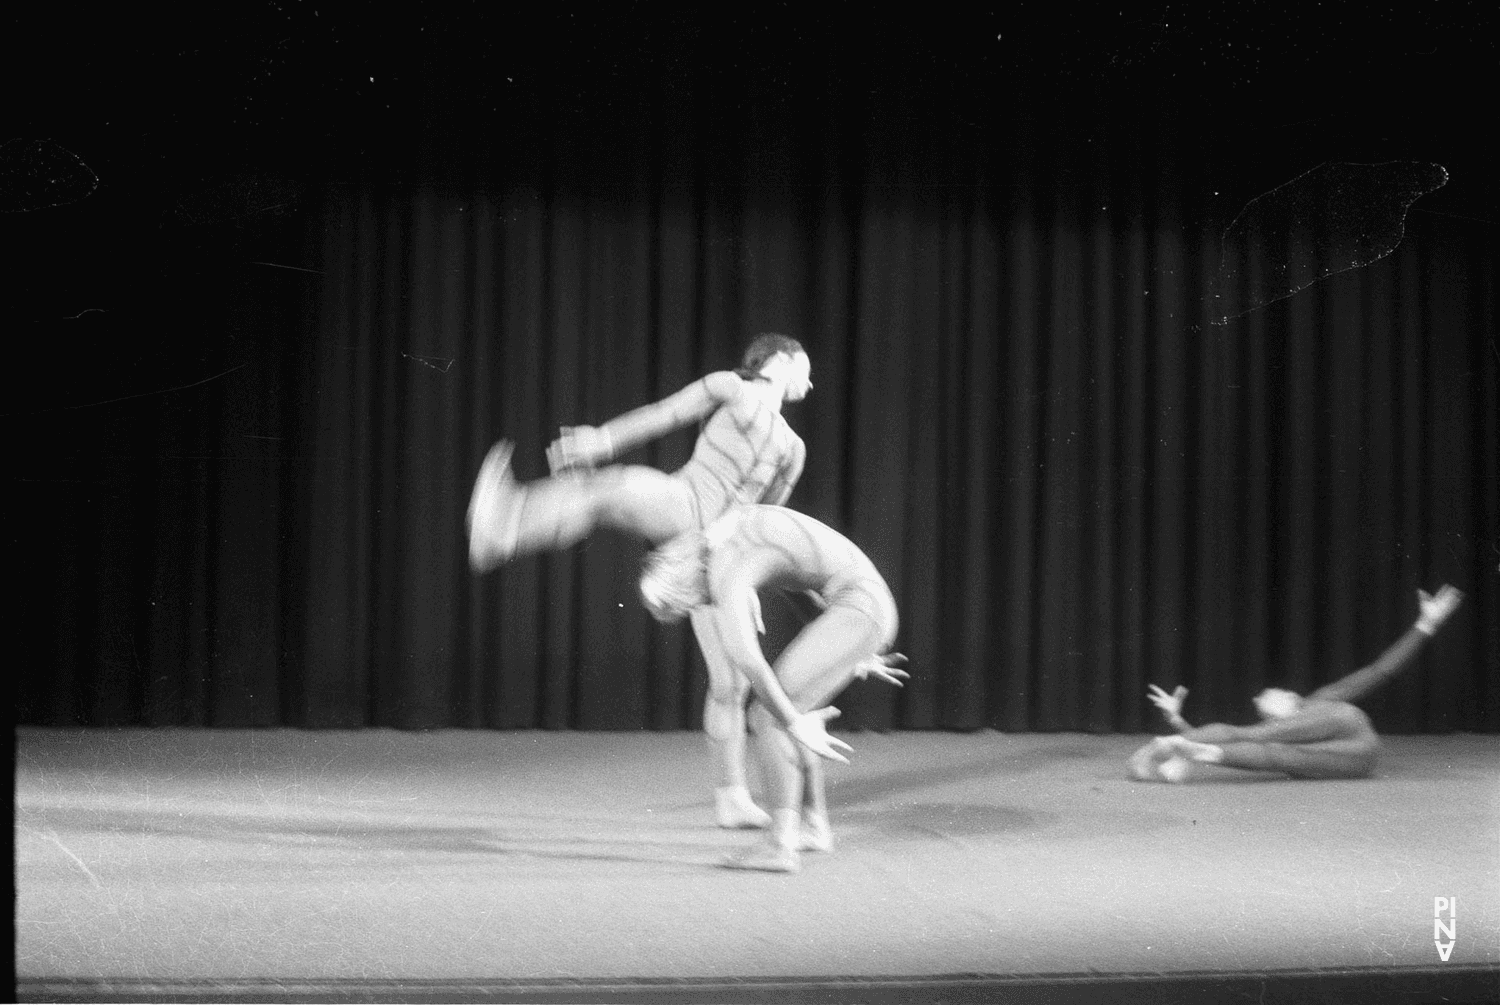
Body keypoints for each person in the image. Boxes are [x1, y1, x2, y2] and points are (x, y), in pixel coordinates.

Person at [466, 334, 811, 829]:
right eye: (805, 366)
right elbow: (667, 413)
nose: (810, 380)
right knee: (610, 486)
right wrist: (601, 439)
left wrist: (748, 584)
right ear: (779, 359)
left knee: (732, 683)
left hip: (717, 553)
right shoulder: (735, 388)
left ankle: (732, 797)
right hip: (686, 501)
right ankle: (505, 528)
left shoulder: (792, 449)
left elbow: (763, 516)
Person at [638, 504, 908, 874]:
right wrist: (854, 648)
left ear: (687, 582)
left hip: (861, 609)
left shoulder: (725, 572)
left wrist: (791, 720)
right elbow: (805, 571)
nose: (702, 605)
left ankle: (779, 846)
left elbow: (748, 661)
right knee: (790, 705)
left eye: (691, 604)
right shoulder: (727, 534)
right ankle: (813, 826)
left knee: (767, 713)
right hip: (864, 609)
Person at [1130, 585, 1465, 782]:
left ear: (1292, 697)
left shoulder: (1323, 699)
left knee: (1262, 742)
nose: (1259, 695)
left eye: (1268, 692)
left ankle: (1193, 750)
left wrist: (1425, 624)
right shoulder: (1286, 731)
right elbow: (1246, 736)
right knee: (1279, 756)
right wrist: (1177, 720)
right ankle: (1206, 753)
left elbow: (1381, 670)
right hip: (1355, 759)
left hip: (1350, 732)